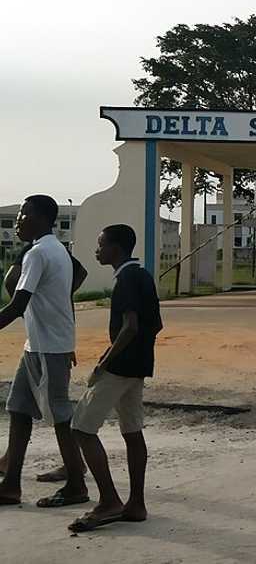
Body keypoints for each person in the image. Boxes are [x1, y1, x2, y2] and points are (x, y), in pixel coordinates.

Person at [68, 224, 161, 531]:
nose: (97, 250)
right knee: (132, 432)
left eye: (101, 245)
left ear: (116, 249)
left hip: (119, 367)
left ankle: (109, 501)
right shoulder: (144, 275)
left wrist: (104, 362)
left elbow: (130, 326)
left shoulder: (125, 279)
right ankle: (136, 504)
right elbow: (154, 326)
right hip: (138, 367)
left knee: (81, 427)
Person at [0, 195, 88, 507]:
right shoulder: (57, 251)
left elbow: (17, 304)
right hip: (37, 346)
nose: (18, 220)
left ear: (39, 217)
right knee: (19, 410)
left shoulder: (38, 253)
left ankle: (77, 485)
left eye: (23, 213)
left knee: (61, 416)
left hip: (50, 348)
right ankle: (10, 486)